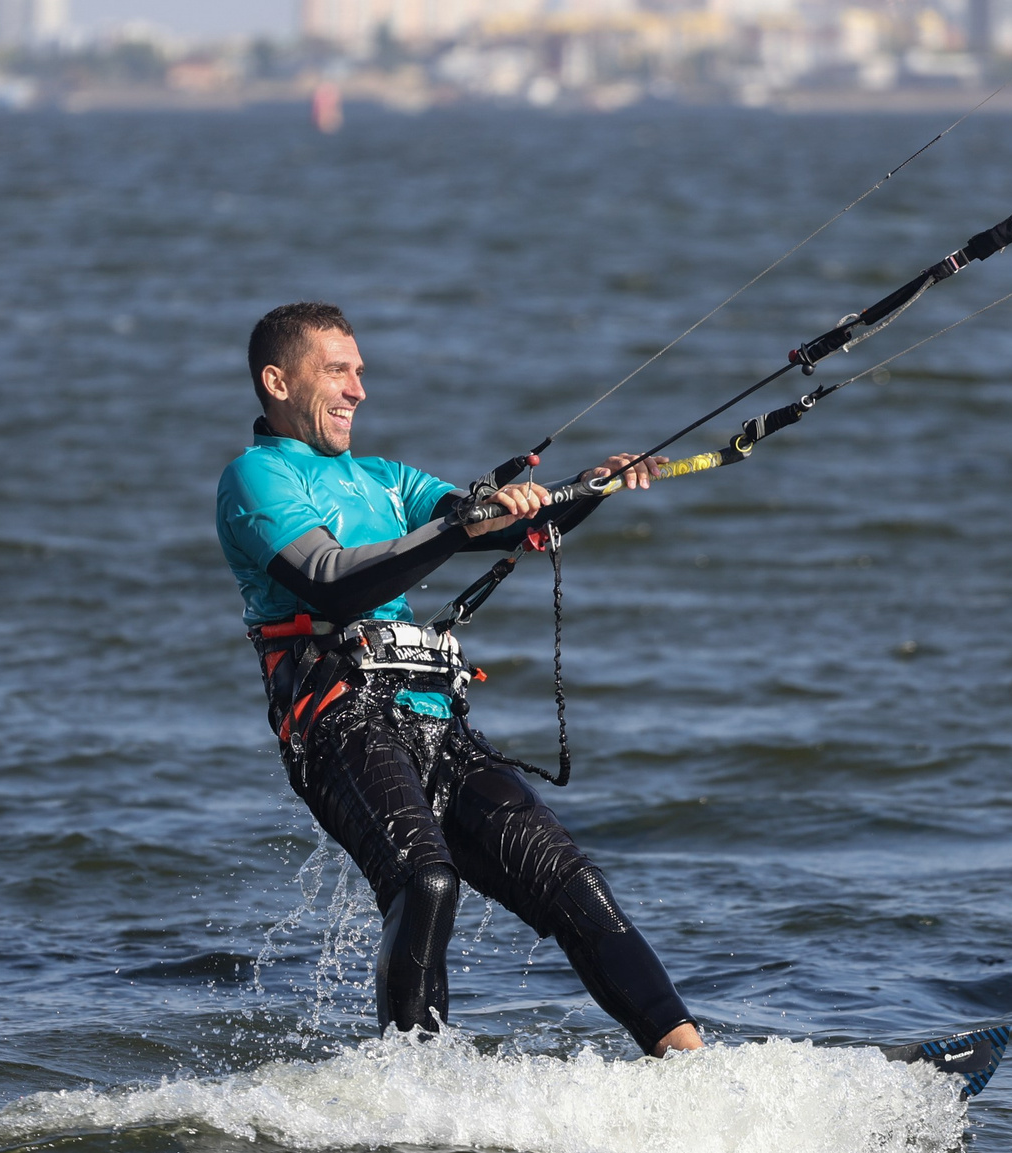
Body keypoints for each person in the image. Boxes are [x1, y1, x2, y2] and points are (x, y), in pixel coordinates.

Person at [216, 302, 705, 1057]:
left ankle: (692, 1067)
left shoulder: (385, 480)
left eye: (361, 372)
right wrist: (455, 528)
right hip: (336, 721)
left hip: (434, 721)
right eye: (337, 370)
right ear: (277, 381)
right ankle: (413, 1088)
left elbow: (500, 525)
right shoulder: (256, 479)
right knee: (425, 881)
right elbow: (328, 582)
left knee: (572, 884)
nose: (357, 390)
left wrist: (590, 487)